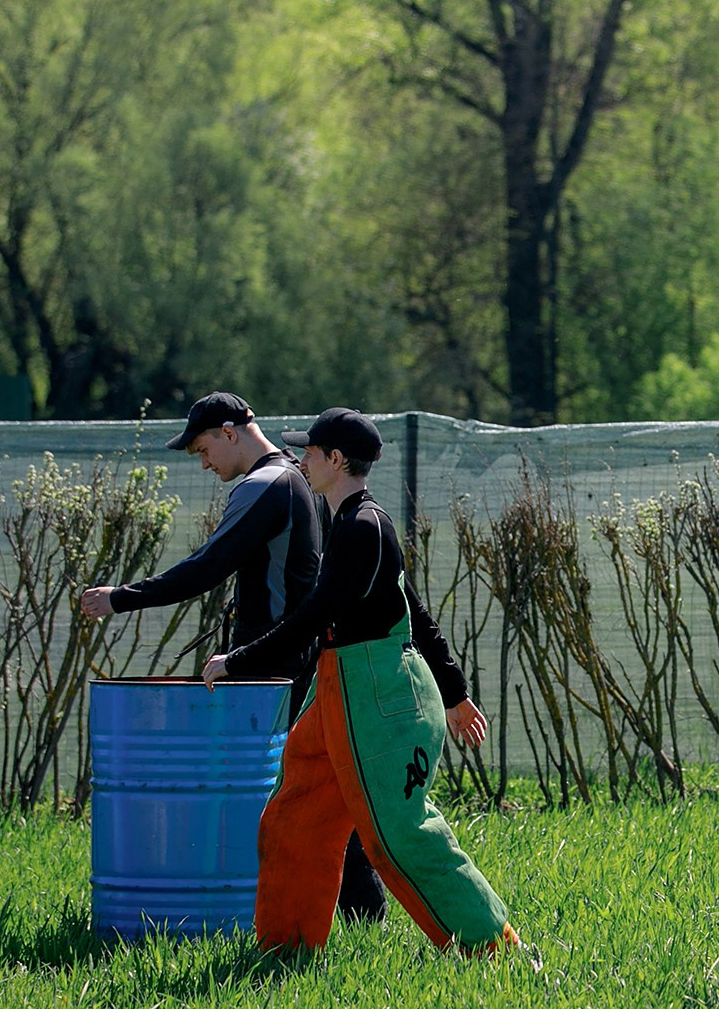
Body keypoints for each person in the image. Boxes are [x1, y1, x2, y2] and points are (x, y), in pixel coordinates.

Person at [209, 409, 520, 956]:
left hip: (376, 694)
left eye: (310, 451)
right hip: (338, 685)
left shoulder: (362, 526)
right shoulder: (350, 519)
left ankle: (494, 947)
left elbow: (314, 614)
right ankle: (285, 947)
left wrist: (238, 660)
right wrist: (453, 691)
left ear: (335, 460)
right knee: (296, 816)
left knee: (397, 835)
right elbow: (410, 609)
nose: (300, 458)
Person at [77, 391, 387, 922]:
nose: (203, 463)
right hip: (298, 656)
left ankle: (345, 911)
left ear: (229, 432)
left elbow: (206, 567)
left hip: (274, 666)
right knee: (318, 787)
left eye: (203, 449)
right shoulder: (300, 477)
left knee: (303, 791)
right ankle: (359, 914)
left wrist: (120, 598)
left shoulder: (265, 484)